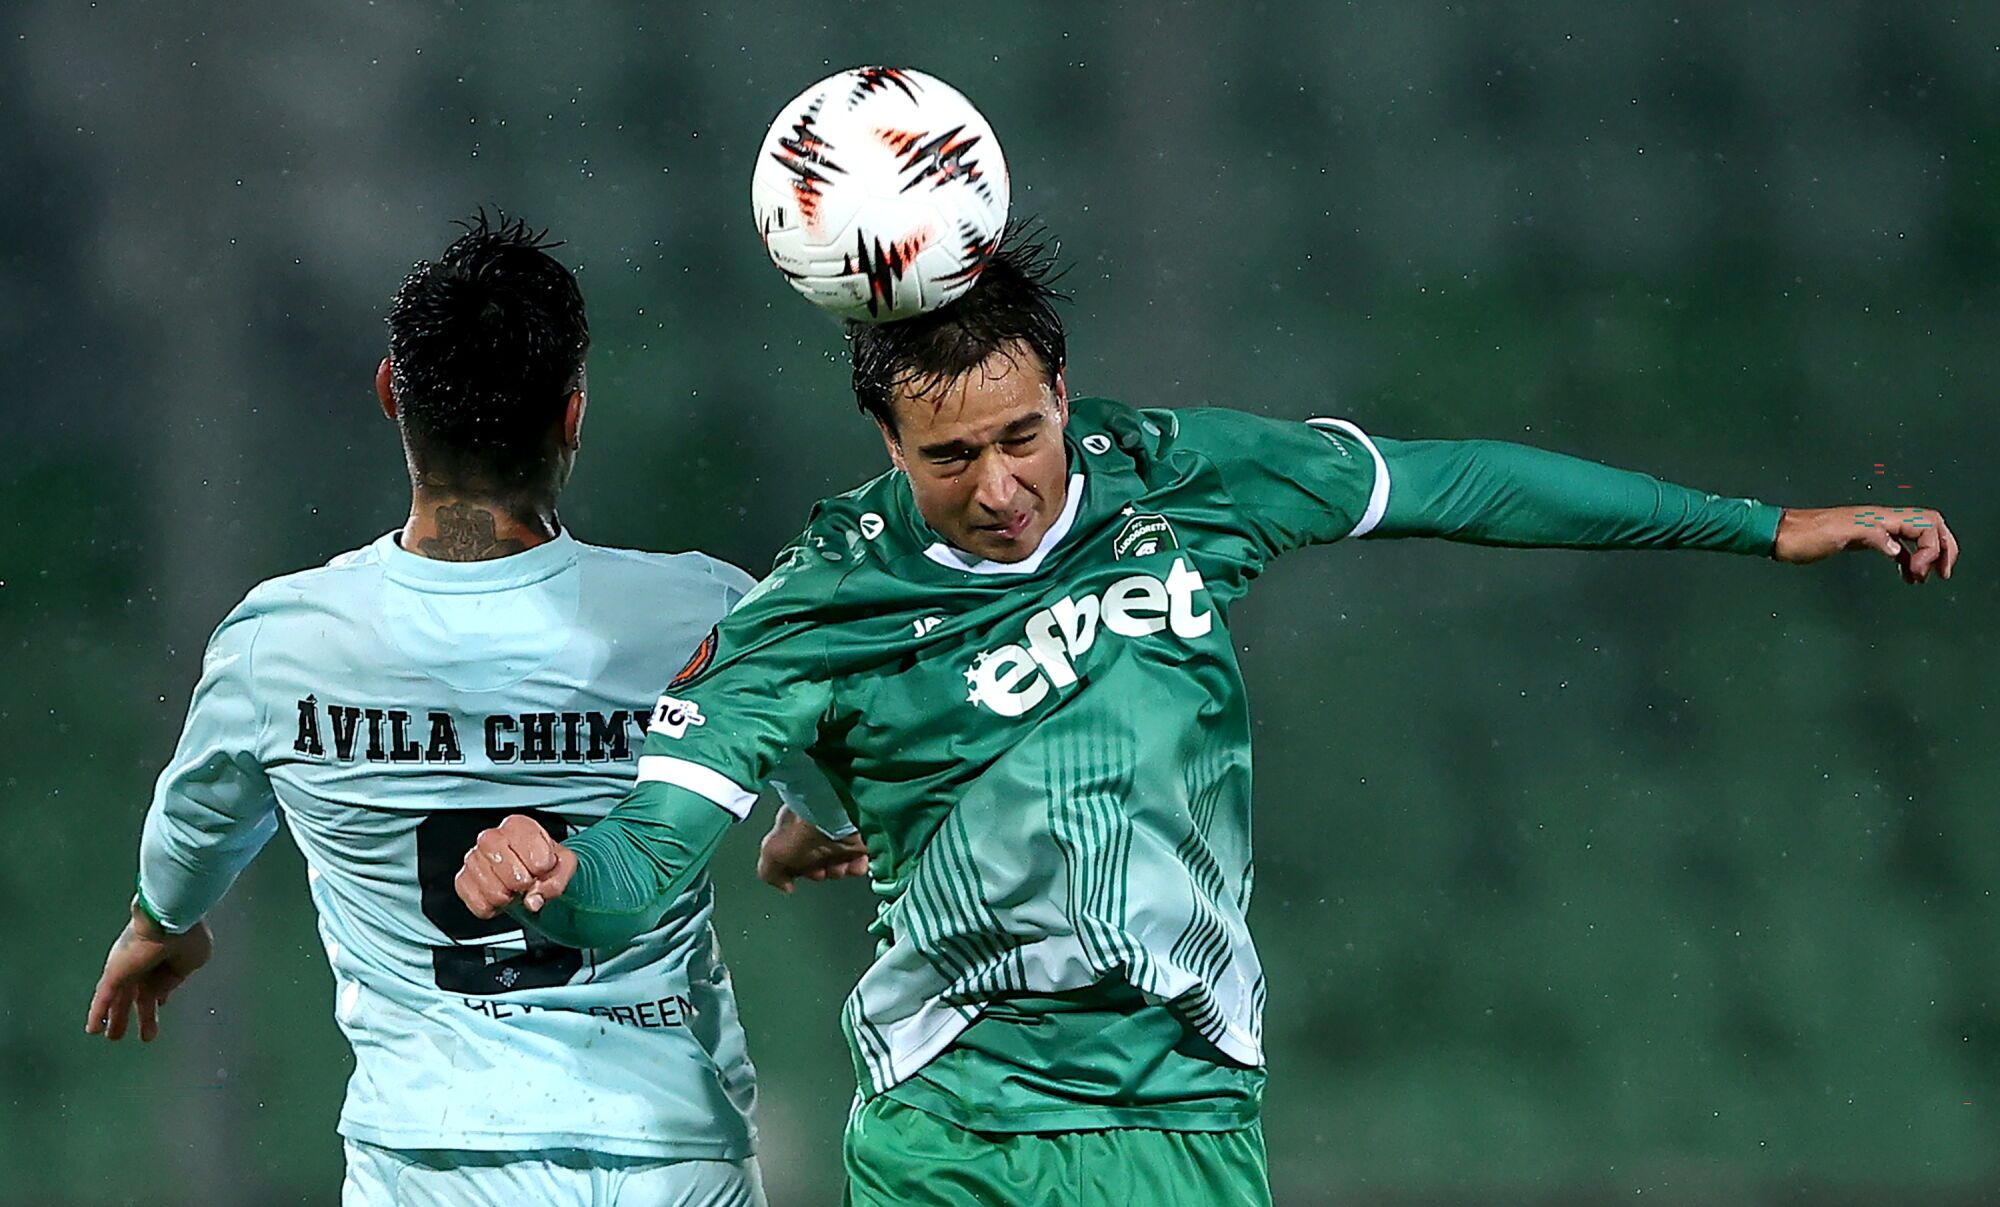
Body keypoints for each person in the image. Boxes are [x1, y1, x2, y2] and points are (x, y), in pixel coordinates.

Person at [453, 229, 1959, 1206]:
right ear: (887, 438)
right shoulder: (810, 606)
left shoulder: (1177, 476)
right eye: (950, 454)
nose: (998, 486)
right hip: (956, 1132)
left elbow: (1464, 484)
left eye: (1023, 435)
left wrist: (1765, 523)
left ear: (1067, 392)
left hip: (1190, 1116)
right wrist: (555, 873)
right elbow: (645, 861)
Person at [84, 213, 852, 1206]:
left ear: (389, 393)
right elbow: (842, 789)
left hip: (430, 1160)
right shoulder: (701, 613)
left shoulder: (283, 642)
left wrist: (161, 922)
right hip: (665, 1154)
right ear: (574, 414)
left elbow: (195, 823)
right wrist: (810, 825)